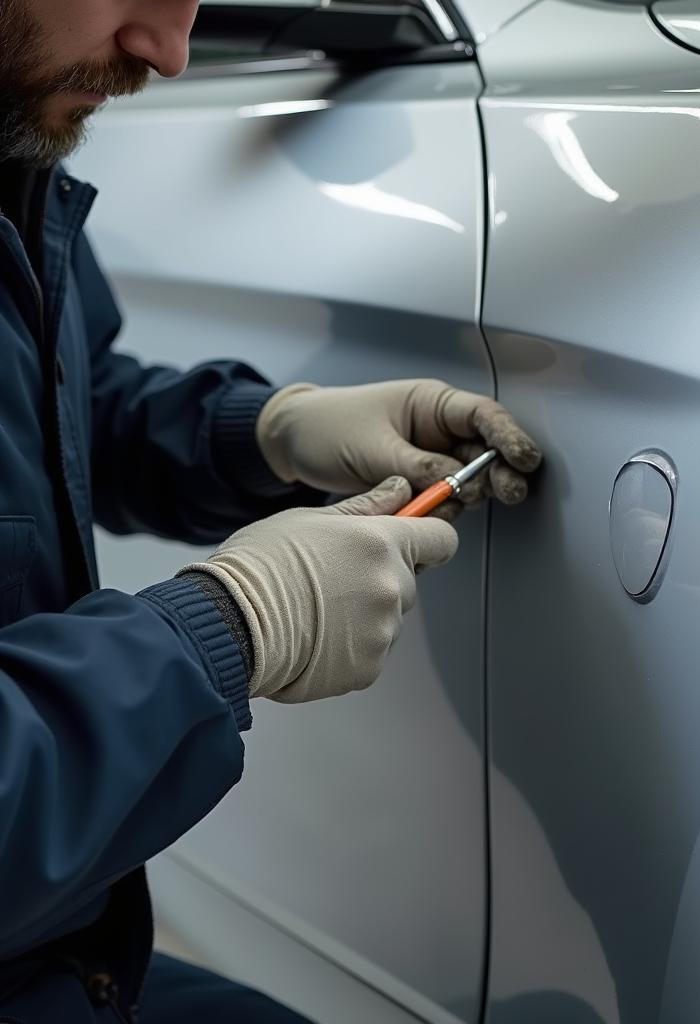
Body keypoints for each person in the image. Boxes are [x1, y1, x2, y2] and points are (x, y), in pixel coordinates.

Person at [0, 1, 543, 1020]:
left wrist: (262, 432)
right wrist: (236, 622)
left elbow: (57, 399)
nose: (168, 50)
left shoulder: (9, 152)